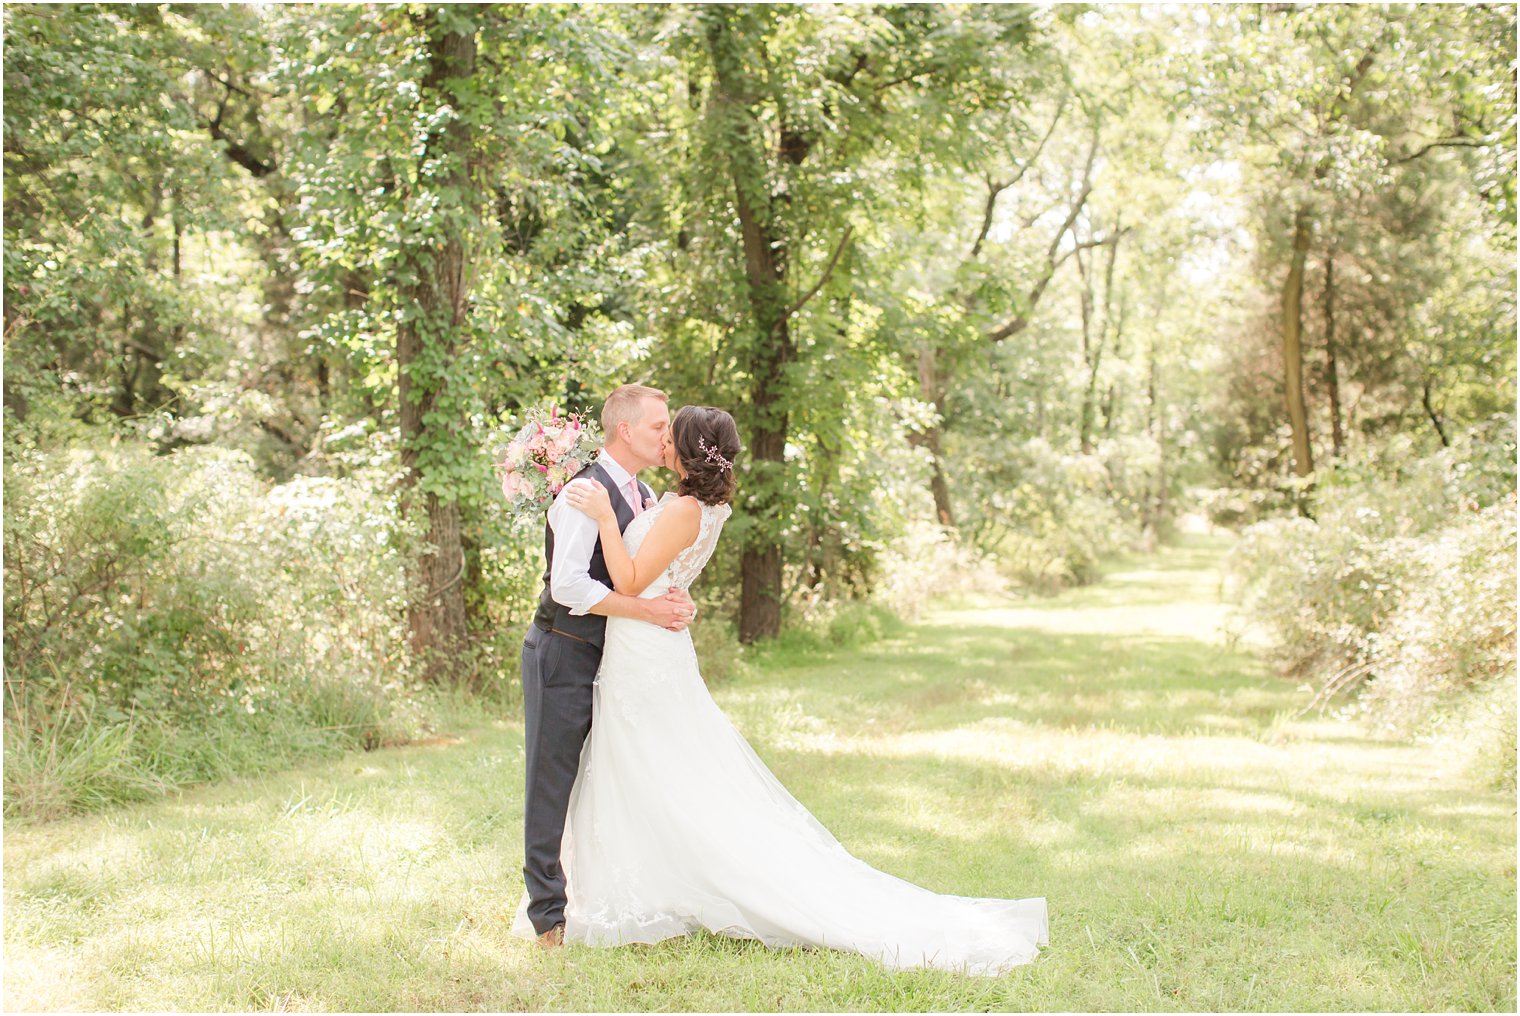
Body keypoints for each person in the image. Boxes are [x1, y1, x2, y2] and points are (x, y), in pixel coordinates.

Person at [512, 404, 1047, 976]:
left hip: (645, 651)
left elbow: (630, 578)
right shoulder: (667, 500)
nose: (663, 437)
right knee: (642, 771)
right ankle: (616, 892)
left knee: (657, 768)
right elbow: (634, 576)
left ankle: (663, 889)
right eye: (657, 426)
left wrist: (614, 529)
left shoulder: (678, 506)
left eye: (671, 431)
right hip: (633, 647)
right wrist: (655, 585)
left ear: (687, 449)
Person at [518, 383, 697, 947]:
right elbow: (569, 583)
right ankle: (548, 916)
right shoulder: (583, 491)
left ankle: (621, 895)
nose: (666, 436)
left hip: (617, 661)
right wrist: (646, 610)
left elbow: (646, 568)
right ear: (625, 430)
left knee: (612, 782)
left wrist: (676, 599)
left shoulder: (644, 492)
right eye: (656, 427)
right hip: (564, 651)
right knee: (551, 783)